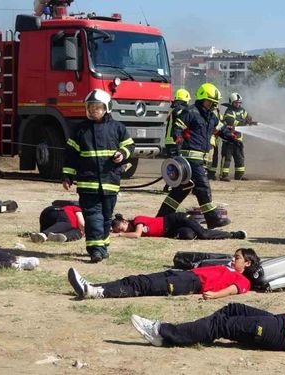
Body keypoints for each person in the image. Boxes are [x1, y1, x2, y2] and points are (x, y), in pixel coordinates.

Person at [129, 288, 285, 370]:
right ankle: (197, 331)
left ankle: (164, 333)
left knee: (222, 325)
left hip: (283, 334)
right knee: (233, 309)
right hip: (281, 321)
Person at [62, 89, 135, 263]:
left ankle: (103, 246)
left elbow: (130, 146)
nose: (94, 110)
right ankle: (95, 249)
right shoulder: (80, 130)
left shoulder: (118, 128)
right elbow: (71, 155)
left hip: (110, 182)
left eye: (98, 107)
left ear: (107, 108)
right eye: (91, 107)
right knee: (93, 215)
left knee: (106, 217)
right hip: (88, 183)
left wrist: (122, 154)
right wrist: (67, 176)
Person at [156, 83, 235, 229]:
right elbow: (177, 126)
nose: (212, 105)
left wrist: (231, 137)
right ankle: (212, 219)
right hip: (191, 159)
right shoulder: (191, 112)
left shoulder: (211, 117)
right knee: (203, 187)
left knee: (181, 190)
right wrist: (178, 136)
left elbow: (221, 129)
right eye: (211, 102)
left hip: (200, 160)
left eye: (215, 103)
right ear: (202, 98)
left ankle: (161, 217)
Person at [67, 248, 260, 299]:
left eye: (237, 258)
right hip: (185, 275)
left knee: (144, 287)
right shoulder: (227, 267)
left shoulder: (243, 280)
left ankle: (96, 293)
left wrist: (216, 295)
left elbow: (234, 290)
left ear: (248, 263)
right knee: (137, 279)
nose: (233, 259)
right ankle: (93, 287)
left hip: (190, 283)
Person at [110, 212, 247, 240]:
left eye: (122, 228)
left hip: (175, 219)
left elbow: (137, 235)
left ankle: (234, 234)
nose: (124, 230)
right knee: (189, 235)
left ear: (125, 221)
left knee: (203, 234)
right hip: (171, 231)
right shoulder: (132, 226)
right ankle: (196, 229)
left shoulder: (137, 220)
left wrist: (119, 234)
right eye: (121, 231)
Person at [219, 92, 257, 181]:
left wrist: (250, 120)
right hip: (229, 140)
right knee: (227, 158)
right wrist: (245, 122)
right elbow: (232, 123)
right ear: (231, 102)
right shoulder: (229, 112)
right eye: (236, 102)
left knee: (239, 158)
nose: (238, 104)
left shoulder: (242, 110)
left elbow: (248, 117)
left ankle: (239, 175)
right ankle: (224, 176)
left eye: (239, 102)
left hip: (238, 140)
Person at [163, 88, 191, 158]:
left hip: (168, 141)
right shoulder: (181, 108)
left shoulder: (172, 108)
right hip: (176, 140)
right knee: (178, 163)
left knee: (172, 163)